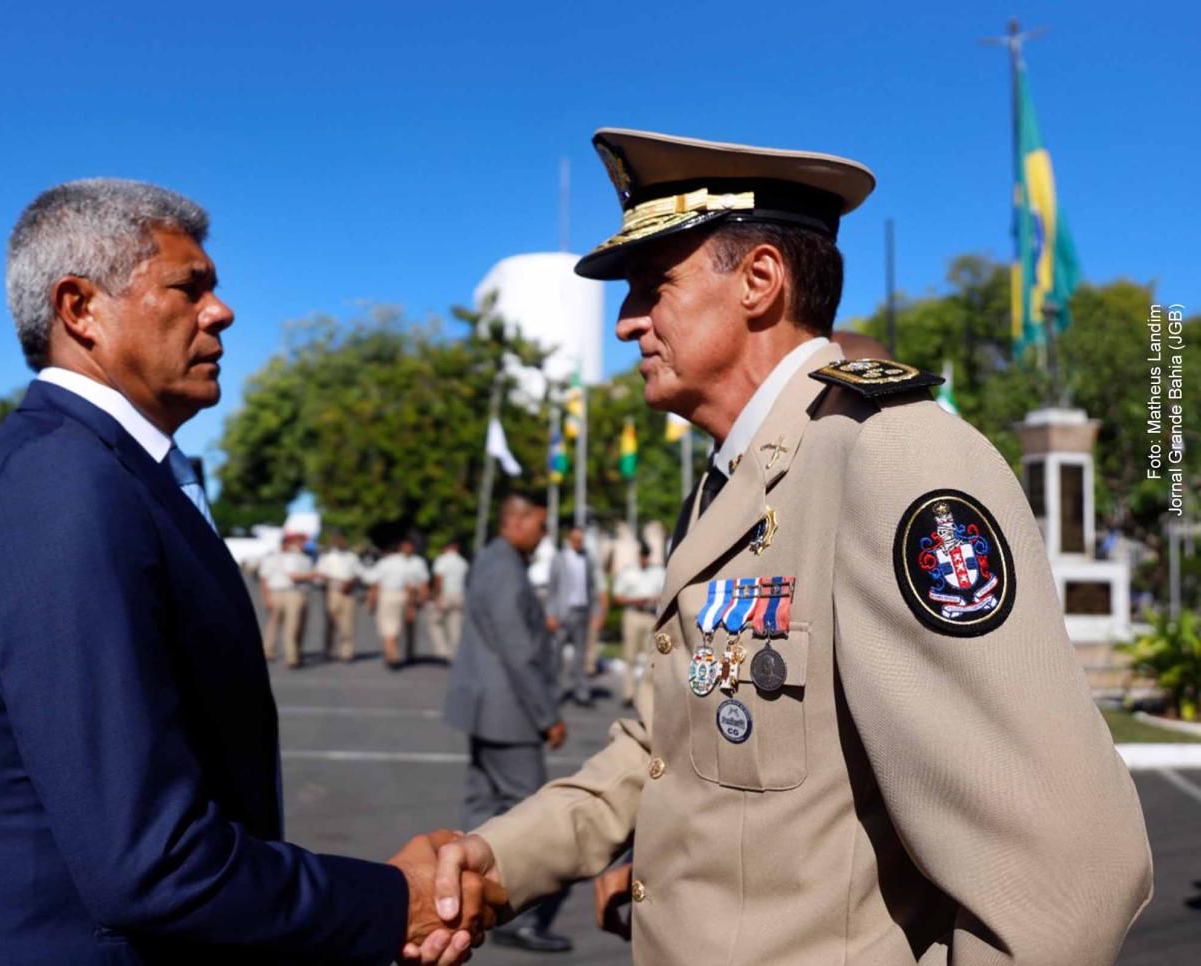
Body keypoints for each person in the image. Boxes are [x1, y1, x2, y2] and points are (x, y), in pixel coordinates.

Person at [429, 129, 1152, 964]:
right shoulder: (729, 481)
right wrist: (500, 859)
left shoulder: (886, 455)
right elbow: (668, 745)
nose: (627, 324)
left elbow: (1069, 877)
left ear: (760, 281)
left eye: (653, 286)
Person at [0, 178, 499, 965]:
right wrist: (394, 902)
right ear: (80, 308)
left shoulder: (112, 473)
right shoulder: (65, 487)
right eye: (187, 288)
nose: (221, 311)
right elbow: (149, 861)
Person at [442, 494, 572, 954]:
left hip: (487, 708)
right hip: (508, 712)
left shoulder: (493, 560)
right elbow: (518, 653)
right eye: (539, 523)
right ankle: (520, 917)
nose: (543, 533)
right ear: (516, 521)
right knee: (529, 816)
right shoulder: (505, 568)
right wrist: (548, 716)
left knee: (482, 806)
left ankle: (461, 899)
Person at [545, 524, 604, 706]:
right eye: (576, 540)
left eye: (581, 540)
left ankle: (581, 692)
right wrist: (550, 614)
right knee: (557, 655)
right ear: (569, 539)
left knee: (581, 655)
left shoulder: (587, 559)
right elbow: (552, 588)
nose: (579, 543)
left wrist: (596, 612)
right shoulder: (559, 558)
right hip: (563, 612)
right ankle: (554, 692)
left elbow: (592, 588)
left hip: (582, 611)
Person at [610, 541, 664, 706]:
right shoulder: (628, 572)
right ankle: (629, 693)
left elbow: (664, 594)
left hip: (650, 615)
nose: (644, 559)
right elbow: (617, 596)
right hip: (633, 613)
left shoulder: (658, 572)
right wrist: (635, 600)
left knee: (651, 657)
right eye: (642, 556)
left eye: (647, 556)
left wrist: (654, 599)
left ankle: (646, 694)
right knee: (630, 656)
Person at [368, 536, 428, 668]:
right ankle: (392, 652)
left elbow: (375, 582)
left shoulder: (388, 562)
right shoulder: (403, 563)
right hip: (397, 594)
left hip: (394, 595)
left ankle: (394, 653)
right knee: (394, 626)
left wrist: (371, 601)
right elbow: (377, 583)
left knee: (393, 626)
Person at [260, 531, 314, 668]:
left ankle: (292, 656)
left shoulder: (303, 557)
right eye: (296, 542)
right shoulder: (272, 557)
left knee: (292, 626)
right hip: (276, 591)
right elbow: (264, 578)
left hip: (294, 592)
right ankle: (268, 651)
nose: (301, 545)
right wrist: (266, 597)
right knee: (273, 624)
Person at [315, 531, 362, 661]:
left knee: (348, 623)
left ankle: (347, 652)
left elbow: (359, 574)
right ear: (334, 541)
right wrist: (331, 582)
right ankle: (329, 649)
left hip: (348, 592)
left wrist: (351, 582)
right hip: (333, 592)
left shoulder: (352, 557)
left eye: (342, 540)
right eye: (338, 540)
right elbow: (319, 575)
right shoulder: (327, 557)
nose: (340, 542)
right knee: (332, 622)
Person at [428, 539, 469, 661]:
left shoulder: (442, 560)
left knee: (435, 622)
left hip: (446, 593)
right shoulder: (463, 562)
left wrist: (437, 596)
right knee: (455, 625)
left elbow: (439, 579)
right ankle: (455, 652)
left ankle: (442, 650)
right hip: (460, 594)